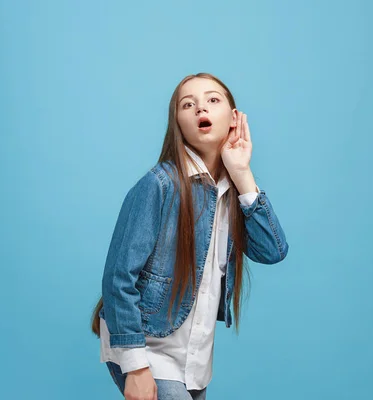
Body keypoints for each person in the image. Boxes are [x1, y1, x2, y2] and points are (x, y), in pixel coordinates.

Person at [90, 72, 289, 400]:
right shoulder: (158, 185)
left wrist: (242, 173)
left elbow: (272, 250)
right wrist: (136, 367)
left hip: (194, 361)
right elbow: (118, 278)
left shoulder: (231, 194)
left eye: (213, 100)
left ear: (234, 118)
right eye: (188, 104)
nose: (201, 109)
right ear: (177, 122)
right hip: (145, 346)